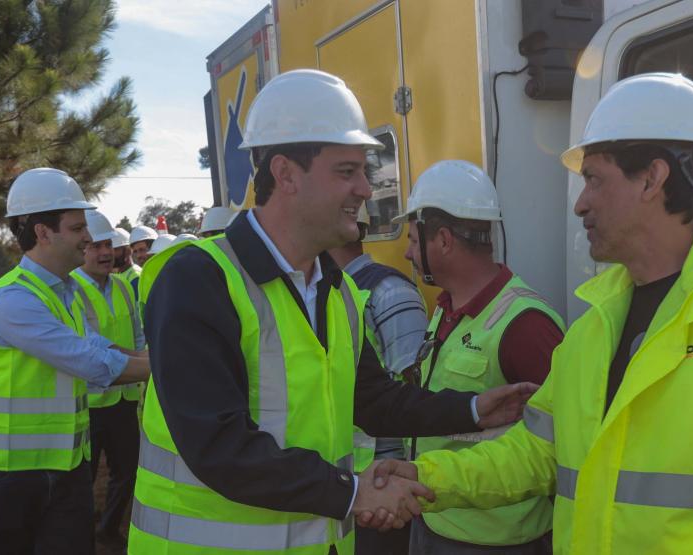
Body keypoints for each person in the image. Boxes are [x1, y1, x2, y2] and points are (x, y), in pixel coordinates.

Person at [372, 73, 693, 554]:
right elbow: (536, 453)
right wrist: (428, 476)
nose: (580, 204)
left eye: (594, 179)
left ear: (652, 179)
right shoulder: (597, 322)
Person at [127, 69, 536, 555]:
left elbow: (371, 398)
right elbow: (218, 446)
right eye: (347, 171)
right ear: (285, 175)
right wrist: (353, 493)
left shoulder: (334, 288)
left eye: (365, 170)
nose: (366, 188)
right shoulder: (200, 280)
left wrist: (470, 409)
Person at [390, 159, 564, 554]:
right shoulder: (447, 309)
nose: (406, 254)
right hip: (435, 520)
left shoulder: (526, 325)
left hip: (495, 542)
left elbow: (559, 445)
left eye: (414, 241)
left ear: (445, 241)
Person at [0, 168, 151, 555]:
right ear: (42, 232)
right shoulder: (13, 300)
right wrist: (176, 366)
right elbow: (91, 363)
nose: (89, 239)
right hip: (10, 476)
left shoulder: (62, 292)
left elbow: (101, 347)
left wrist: (154, 356)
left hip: (66, 467)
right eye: (77, 229)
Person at [329, 202, 429, 555]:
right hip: (346, 487)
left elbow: (411, 390)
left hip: (383, 489)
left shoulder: (389, 291)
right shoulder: (326, 291)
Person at [71, 209, 147, 550]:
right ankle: (82, 531)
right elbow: (87, 344)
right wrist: (146, 364)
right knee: (82, 477)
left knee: (127, 470)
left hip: (123, 398)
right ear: (82, 248)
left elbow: (138, 335)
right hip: (88, 402)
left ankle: (108, 527)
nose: (105, 253)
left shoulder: (122, 287)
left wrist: (143, 363)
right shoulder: (70, 290)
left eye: (109, 246)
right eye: (96, 246)